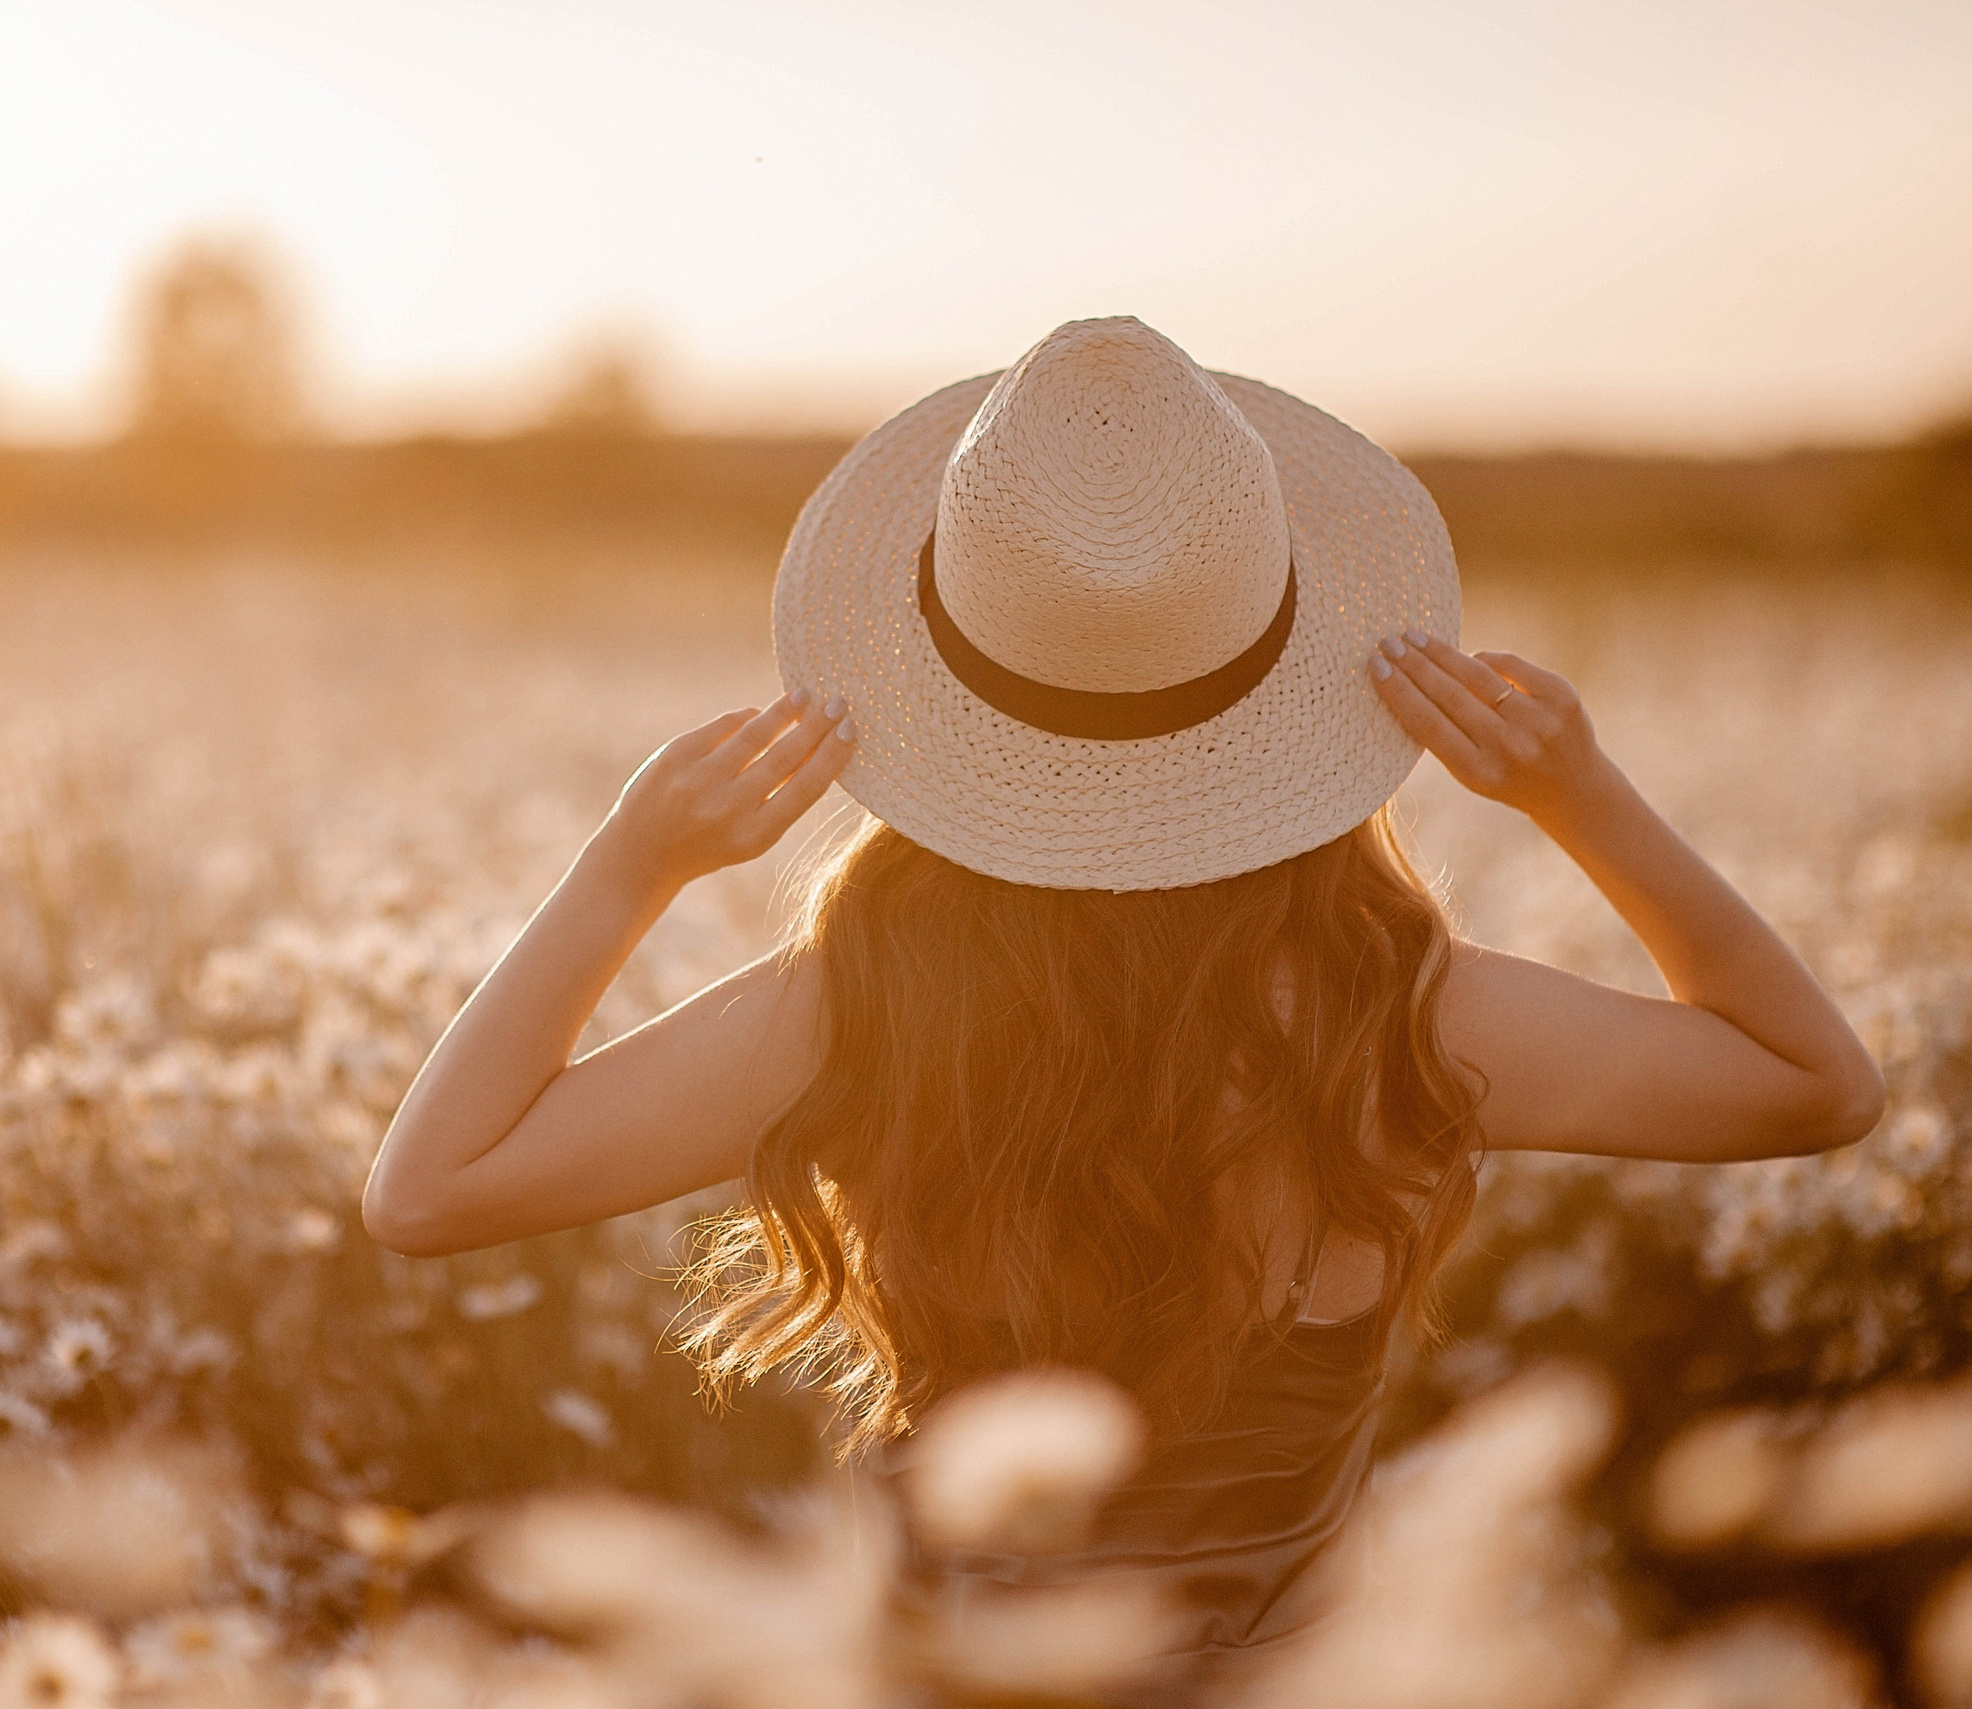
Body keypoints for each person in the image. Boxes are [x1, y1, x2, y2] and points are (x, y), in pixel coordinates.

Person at [361, 317, 1885, 1698]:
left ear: (952, 691)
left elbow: (429, 1189)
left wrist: (633, 862)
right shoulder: (1396, 1017)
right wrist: (1578, 792)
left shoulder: (865, 1014)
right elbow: (1816, 1082)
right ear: (1283, 677)